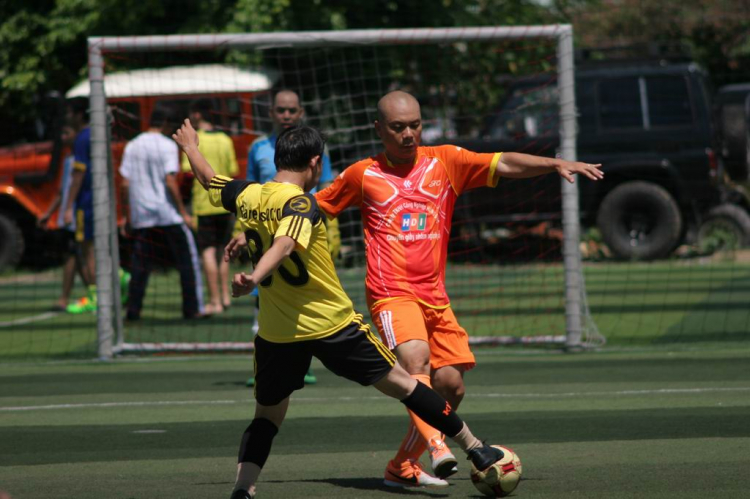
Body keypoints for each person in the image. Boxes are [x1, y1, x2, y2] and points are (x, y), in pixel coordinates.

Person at [174, 119, 508, 499]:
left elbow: (209, 180)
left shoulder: (248, 195)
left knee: (266, 417)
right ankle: (476, 448)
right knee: (407, 386)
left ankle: (242, 489)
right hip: (333, 327)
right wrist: (254, 276)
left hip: (277, 333)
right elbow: (284, 244)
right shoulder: (303, 203)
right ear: (315, 163)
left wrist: (190, 147)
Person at [314, 90, 603, 484]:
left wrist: (553, 163)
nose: (408, 134)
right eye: (398, 128)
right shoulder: (362, 173)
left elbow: (503, 163)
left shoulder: (445, 161)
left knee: (450, 385)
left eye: (415, 125)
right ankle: (439, 447)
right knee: (415, 364)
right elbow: (315, 207)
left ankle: (401, 467)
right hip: (390, 291)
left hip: (435, 295)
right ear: (378, 129)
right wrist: (258, 231)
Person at [244, 89, 335, 386]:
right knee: (266, 297)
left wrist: (329, 230)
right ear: (271, 113)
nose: (286, 115)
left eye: (291, 110)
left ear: (301, 113)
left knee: (306, 295)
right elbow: (251, 192)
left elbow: (326, 190)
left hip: (304, 233)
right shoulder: (257, 147)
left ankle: (302, 362)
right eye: (280, 110)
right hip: (269, 232)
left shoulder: (315, 148)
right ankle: (264, 365)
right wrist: (243, 232)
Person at [119, 107, 205, 321]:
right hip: (167, 214)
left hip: (142, 216)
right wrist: (183, 211)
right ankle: (192, 308)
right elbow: (170, 180)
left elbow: (124, 183)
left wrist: (127, 215)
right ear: (166, 124)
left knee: (140, 266)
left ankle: (133, 310)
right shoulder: (167, 145)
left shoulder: (132, 145)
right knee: (187, 262)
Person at [181, 99, 239, 315]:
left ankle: (214, 300)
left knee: (207, 251)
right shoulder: (225, 139)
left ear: (196, 115)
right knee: (224, 250)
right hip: (225, 203)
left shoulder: (194, 140)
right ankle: (226, 296)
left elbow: (188, 171)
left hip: (204, 205)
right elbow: (232, 170)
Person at [37, 125, 90, 311]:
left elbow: (76, 184)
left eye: (66, 132)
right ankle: (87, 294)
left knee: (80, 255)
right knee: (73, 255)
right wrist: (49, 212)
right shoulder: (67, 160)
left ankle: (80, 296)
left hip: (79, 215)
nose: (62, 136)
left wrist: (69, 209)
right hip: (68, 217)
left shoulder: (82, 157)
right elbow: (61, 191)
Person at [62, 97, 97, 314]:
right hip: (99, 201)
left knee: (87, 252)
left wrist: (67, 208)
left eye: (68, 112)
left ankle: (96, 298)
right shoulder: (96, 134)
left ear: (77, 114)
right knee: (97, 251)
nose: (67, 117)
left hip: (86, 203)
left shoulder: (82, 138)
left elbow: (78, 174)